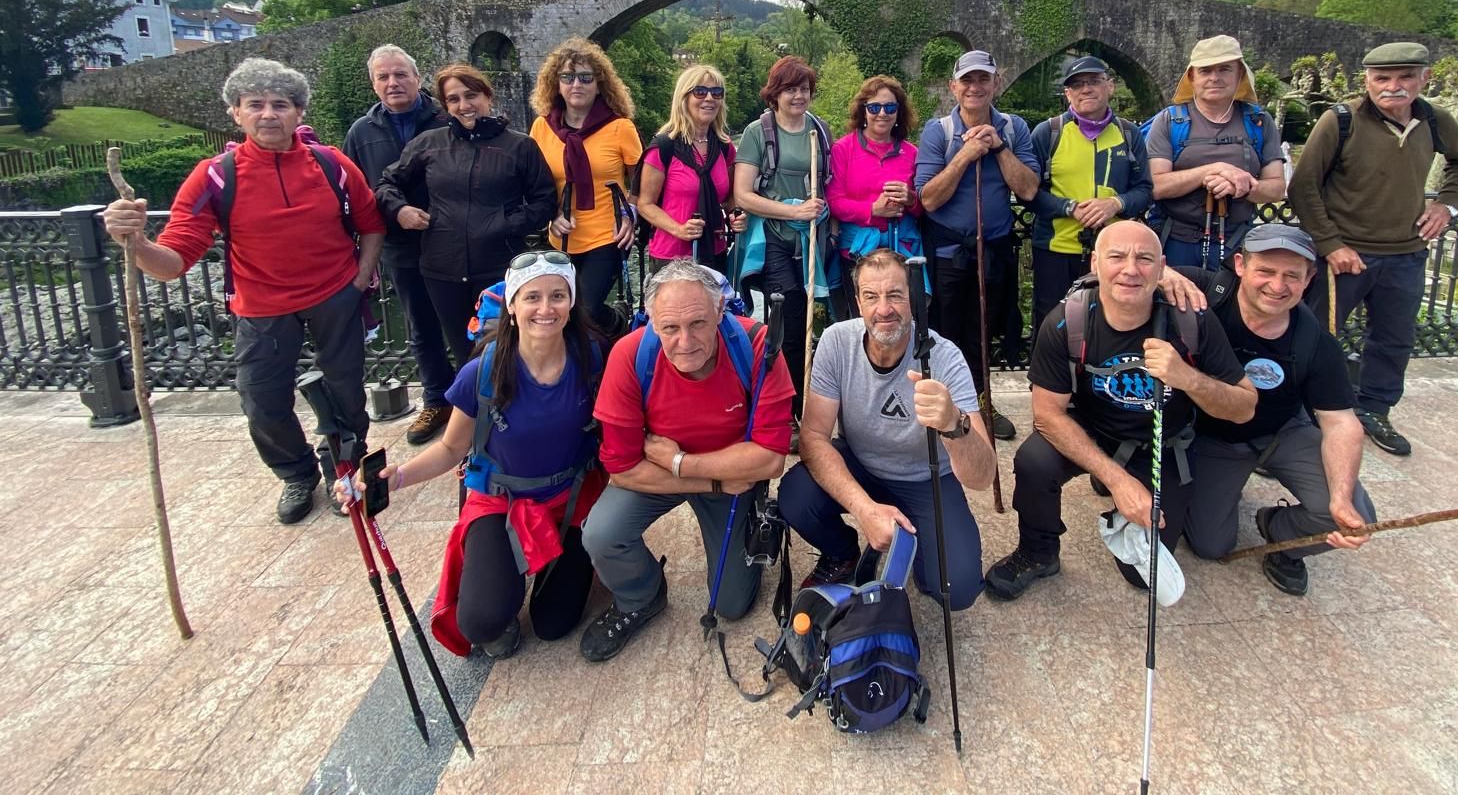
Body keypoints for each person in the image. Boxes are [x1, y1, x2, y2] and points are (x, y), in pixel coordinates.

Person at [102, 59, 385, 524]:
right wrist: (136, 244)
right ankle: (296, 473)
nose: (268, 114)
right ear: (236, 113)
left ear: (298, 113)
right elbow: (174, 261)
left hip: (335, 295)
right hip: (261, 306)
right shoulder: (215, 175)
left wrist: (360, 279)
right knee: (262, 399)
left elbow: (371, 224)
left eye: (280, 105)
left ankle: (345, 467)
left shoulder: (331, 163)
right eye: (256, 105)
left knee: (346, 391)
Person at [337, 252, 608, 656]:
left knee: (554, 625)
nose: (546, 308)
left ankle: (550, 563)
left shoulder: (592, 357)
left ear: (572, 304)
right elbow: (451, 447)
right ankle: (502, 575)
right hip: (501, 500)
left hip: (572, 499)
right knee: (482, 623)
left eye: (558, 296)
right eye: (532, 297)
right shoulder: (483, 371)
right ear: (513, 306)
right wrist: (397, 478)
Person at [984, 221, 1255, 601]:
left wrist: (1187, 378)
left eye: (1144, 259)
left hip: (1159, 443)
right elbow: (1047, 415)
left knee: (1142, 578)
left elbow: (1244, 407)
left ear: (1162, 268)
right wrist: (1117, 480)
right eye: (1117, 257)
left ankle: (1133, 488)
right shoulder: (1067, 321)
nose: (1130, 269)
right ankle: (1038, 551)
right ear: (1095, 264)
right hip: (1094, 430)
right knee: (1034, 460)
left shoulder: (1190, 320)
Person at [580, 260, 791, 662]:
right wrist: (706, 480)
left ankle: (753, 530)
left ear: (719, 313)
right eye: (670, 329)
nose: (685, 341)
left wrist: (681, 463)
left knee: (730, 604)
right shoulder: (629, 355)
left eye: (697, 324)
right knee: (601, 533)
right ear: (652, 323)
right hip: (700, 476)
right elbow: (622, 468)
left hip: (723, 473)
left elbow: (769, 459)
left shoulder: (758, 345)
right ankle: (640, 595)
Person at [1288, 42, 1458, 456]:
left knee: (1394, 339)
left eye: (1405, 77)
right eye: (1383, 79)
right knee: (1318, 337)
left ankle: (1375, 408)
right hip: (1344, 255)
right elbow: (1303, 186)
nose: (1394, 87)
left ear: (1423, 78)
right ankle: (1302, 415)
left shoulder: (1433, 119)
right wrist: (1331, 243)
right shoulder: (1340, 120)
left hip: (1406, 253)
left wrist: (1447, 203)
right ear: (1368, 81)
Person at [779, 250, 992, 608]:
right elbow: (814, 438)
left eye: (895, 295)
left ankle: (917, 549)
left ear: (914, 298)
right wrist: (865, 510)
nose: (884, 309)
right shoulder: (836, 342)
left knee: (958, 589)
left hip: (927, 476)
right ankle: (842, 552)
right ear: (857, 301)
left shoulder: (944, 356)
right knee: (795, 496)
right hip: (861, 463)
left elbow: (982, 476)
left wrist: (955, 424)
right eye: (872, 297)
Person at [1179, 224, 1375, 596]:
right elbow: (1130, 271)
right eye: (1266, 271)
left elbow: (1340, 423)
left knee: (1353, 517)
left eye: (1291, 276)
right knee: (1209, 545)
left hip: (1283, 431)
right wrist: (1163, 276)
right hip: (1213, 438)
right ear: (1240, 265)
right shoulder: (1207, 293)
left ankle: (1282, 535)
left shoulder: (1314, 341)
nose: (1277, 285)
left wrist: (1340, 496)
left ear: (1309, 280)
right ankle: (1222, 490)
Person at [377, 63, 557, 373]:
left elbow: (545, 201)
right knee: (463, 352)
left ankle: (506, 411)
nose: (464, 105)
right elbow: (386, 184)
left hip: (499, 267)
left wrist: (502, 224)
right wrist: (401, 210)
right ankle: (473, 414)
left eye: (471, 95)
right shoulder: (429, 144)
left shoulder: (519, 146)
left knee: (504, 348)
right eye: (454, 99)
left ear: (488, 96)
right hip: (441, 268)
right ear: (445, 106)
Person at [914, 48, 1040, 441]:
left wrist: (999, 147)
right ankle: (949, 404)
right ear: (954, 87)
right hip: (950, 252)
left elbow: (1030, 189)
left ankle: (983, 403)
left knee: (990, 328)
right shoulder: (939, 132)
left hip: (996, 250)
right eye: (967, 80)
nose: (975, 87)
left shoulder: (1015, 129)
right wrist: (966, 155)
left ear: (995, 83)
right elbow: (929, 198)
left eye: (983, 79)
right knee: (948, 332)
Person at [341, 44, 455, 445]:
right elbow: (357, 189)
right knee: (421, 326)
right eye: (383, 77)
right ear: (373, 84)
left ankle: (475, 402)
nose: (393, 83)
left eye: (400, 74)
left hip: (455, 241)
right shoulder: (362, 132)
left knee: (468, 323)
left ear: (417, 78)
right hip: (401, 246)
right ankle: (436, 399)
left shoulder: (445, 118)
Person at [733, 56, 831, 423]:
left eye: (804, 89)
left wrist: (820, 214)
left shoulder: (819, 131)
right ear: (775, 93)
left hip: (811, 240)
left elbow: (827, 183)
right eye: (791, 89)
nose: (799, 96)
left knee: (808, 317)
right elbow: (743, 194)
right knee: (787, 318)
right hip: (774, 237)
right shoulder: (758, 133)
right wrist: (794, 212)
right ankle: (788, 410)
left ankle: (804, 405)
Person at [1028, 55, 1153, 330]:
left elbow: (1145, 189)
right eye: (1077, 84)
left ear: (1110, 86)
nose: (1086, 89)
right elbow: (1030, 193)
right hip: (1056, 249)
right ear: (1067, 94)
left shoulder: (1129, 134)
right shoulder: (1048, 133)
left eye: (1094, 81)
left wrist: (1115, 204)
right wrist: (1069, 207)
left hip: (1114, 251)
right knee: (1052, 322)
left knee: (1107, 322)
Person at [530, 38, 643, 335]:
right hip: (561, 236)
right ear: (556, 84)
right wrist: (551, 216)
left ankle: (616, 323)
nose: (575, 84)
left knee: (587, 310)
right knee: (561, 314)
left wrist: (631, 212)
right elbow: (535, 183)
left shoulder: (619, 127)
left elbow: (641, 179)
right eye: (567, 77)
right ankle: (581, 371)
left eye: (585, 77)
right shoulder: (542, 128)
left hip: (607, 235)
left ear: (599, 84)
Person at [1145, 35, 1285, 269]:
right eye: (1205, 70)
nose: (1215, 78)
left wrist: (1242, 186)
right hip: (1175, 243)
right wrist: (1213, 171)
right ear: (1192, 76)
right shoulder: (1170, 121)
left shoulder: (1258, 121)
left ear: (1239, 74)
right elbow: (1156, 186)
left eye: (1224, 69)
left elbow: (1277, 188)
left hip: (1237, 243)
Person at [825, 74, 922, 320]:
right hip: (857, 251)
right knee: (861, 320)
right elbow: (834, 201)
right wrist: (872, 210)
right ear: (863, 111)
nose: (882, 113)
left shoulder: (912, 153)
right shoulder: (843, 149)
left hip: (900, 250)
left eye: (890, 107)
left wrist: (910, 199)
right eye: (874, 107)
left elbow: (924, 207)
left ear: (899, 112)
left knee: (899, 317)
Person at [635, 64, 747, 277]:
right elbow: (645, 204)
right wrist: (679, 229)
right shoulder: (664, 147)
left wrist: (735, 214)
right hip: (672, 256)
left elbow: (728, 195)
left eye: (717, 93)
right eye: (700, 91)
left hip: (715, 251)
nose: (709, 98)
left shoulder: (724, 147)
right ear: (683, 98)